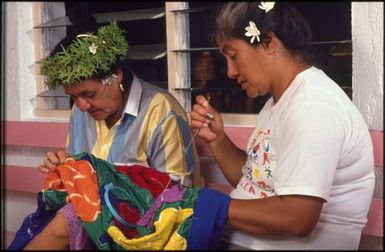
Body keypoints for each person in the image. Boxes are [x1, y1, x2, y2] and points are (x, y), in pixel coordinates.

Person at [190, 2, 375, 250]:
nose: (231, 72)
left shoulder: (313, 106)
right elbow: (255, 184)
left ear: (268, 42)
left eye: (233, 55)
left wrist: (207, 206)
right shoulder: (278, 103)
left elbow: (297, 217)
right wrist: (218, 140)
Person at [21, 8, 197, 250]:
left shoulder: (161, 110)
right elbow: (82, 175)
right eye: (73, 97)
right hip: (94, 224)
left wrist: (111, 190)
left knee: (68, 219)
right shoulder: (82, 112)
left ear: (116, 75)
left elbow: (178, 195)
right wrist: (65, 166)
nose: (81, 106)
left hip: (146, 231)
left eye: (88, 94)